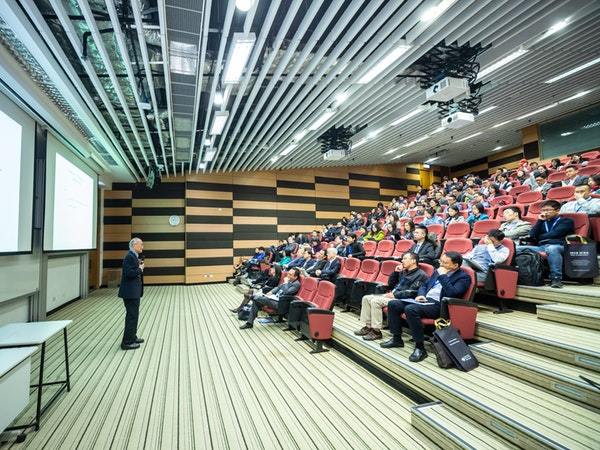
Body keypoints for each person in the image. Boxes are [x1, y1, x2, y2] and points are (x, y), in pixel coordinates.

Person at [381, 252, 472, 362]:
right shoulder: (437, 271)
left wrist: (443, 276)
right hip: (425, 300)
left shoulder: (464, 277)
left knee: (410, 309)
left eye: (445, 263)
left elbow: (452, 293)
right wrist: (421, 295)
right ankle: (396, 339)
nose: (441, 265)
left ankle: (420, 347)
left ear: (455, 265)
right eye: (441, 262)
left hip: (440, 305)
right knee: (393, 304)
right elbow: (424, 285)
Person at [354, 253, 427, 341]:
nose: (402, 261)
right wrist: (395, 272)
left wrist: (395, 295)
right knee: (366, 298)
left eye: (405, 259)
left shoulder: (421, 275)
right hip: (392, 295)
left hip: (402, 299)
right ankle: (368, 326)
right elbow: (391, 284)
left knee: (375, 301)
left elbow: (412, 292)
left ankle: (376, 331)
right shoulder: (403, 271)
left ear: (413, 261)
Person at [517, 200, 574, 288]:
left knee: (552, 249)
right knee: (516, 248)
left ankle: (556, 278)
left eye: (548, 210)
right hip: (542, 247)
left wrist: (540, 237)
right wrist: (539, 221)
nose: (545, 212)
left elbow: (555, 234)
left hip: (560, 246)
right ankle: (521, 276)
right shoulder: (542, 222)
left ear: (557, 210)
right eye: (543, 210)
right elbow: (532, 235)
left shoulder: (566, 221)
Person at [118, 237, 145, 350]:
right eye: (141, 244)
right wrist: (140, 269)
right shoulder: (129, 256)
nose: (142, 246)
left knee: (134, 316)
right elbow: (129, 273)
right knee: (131, 317)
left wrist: (138, 266)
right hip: (130, 293)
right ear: (134, 245)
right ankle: (127, 342)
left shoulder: (133, 256)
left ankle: (132, 337)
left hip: (133, 292)